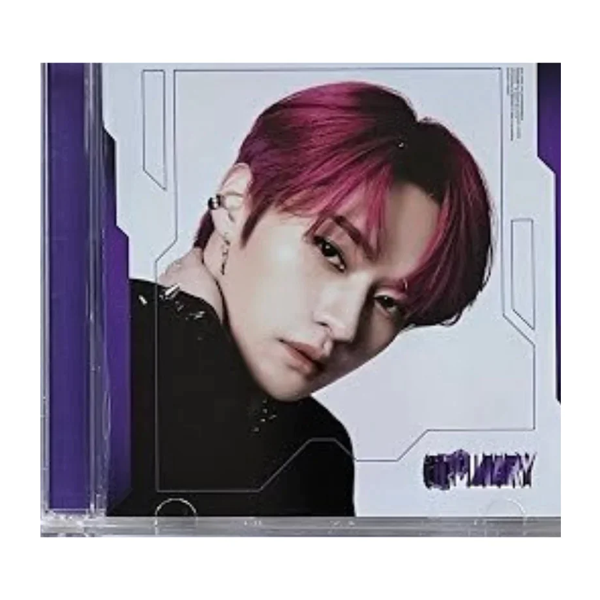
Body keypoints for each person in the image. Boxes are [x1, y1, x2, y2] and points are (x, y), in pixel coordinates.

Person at [109, 81, 492, 517]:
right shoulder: (87, 344)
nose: (344, 324)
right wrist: (183, 330)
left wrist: (196, 341)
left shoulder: (318, 455)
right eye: (330, 251)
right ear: (236, 202)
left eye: (390, 304)